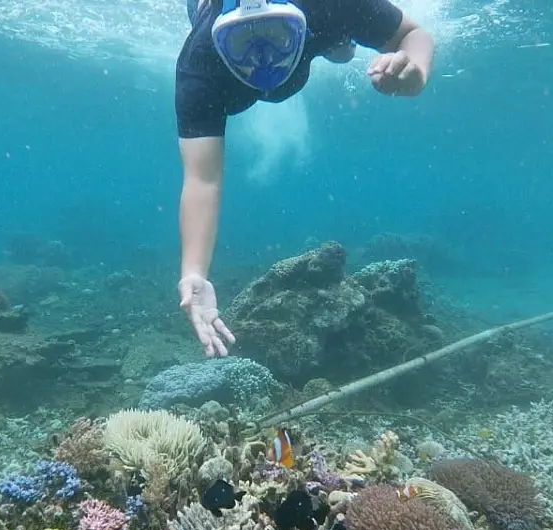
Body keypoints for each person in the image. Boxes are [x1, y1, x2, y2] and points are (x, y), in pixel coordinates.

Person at [175, 0, 435, 358]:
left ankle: (336, 45)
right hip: (237, 48)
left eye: (277, 35)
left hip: (321, 33)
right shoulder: (200, 62)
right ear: (219, 35)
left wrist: (417, 70)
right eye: (242, 42)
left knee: (342, 50)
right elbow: (202, 179)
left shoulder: (332, 6)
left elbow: (413, 34)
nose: (262, 58)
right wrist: (194, 274)